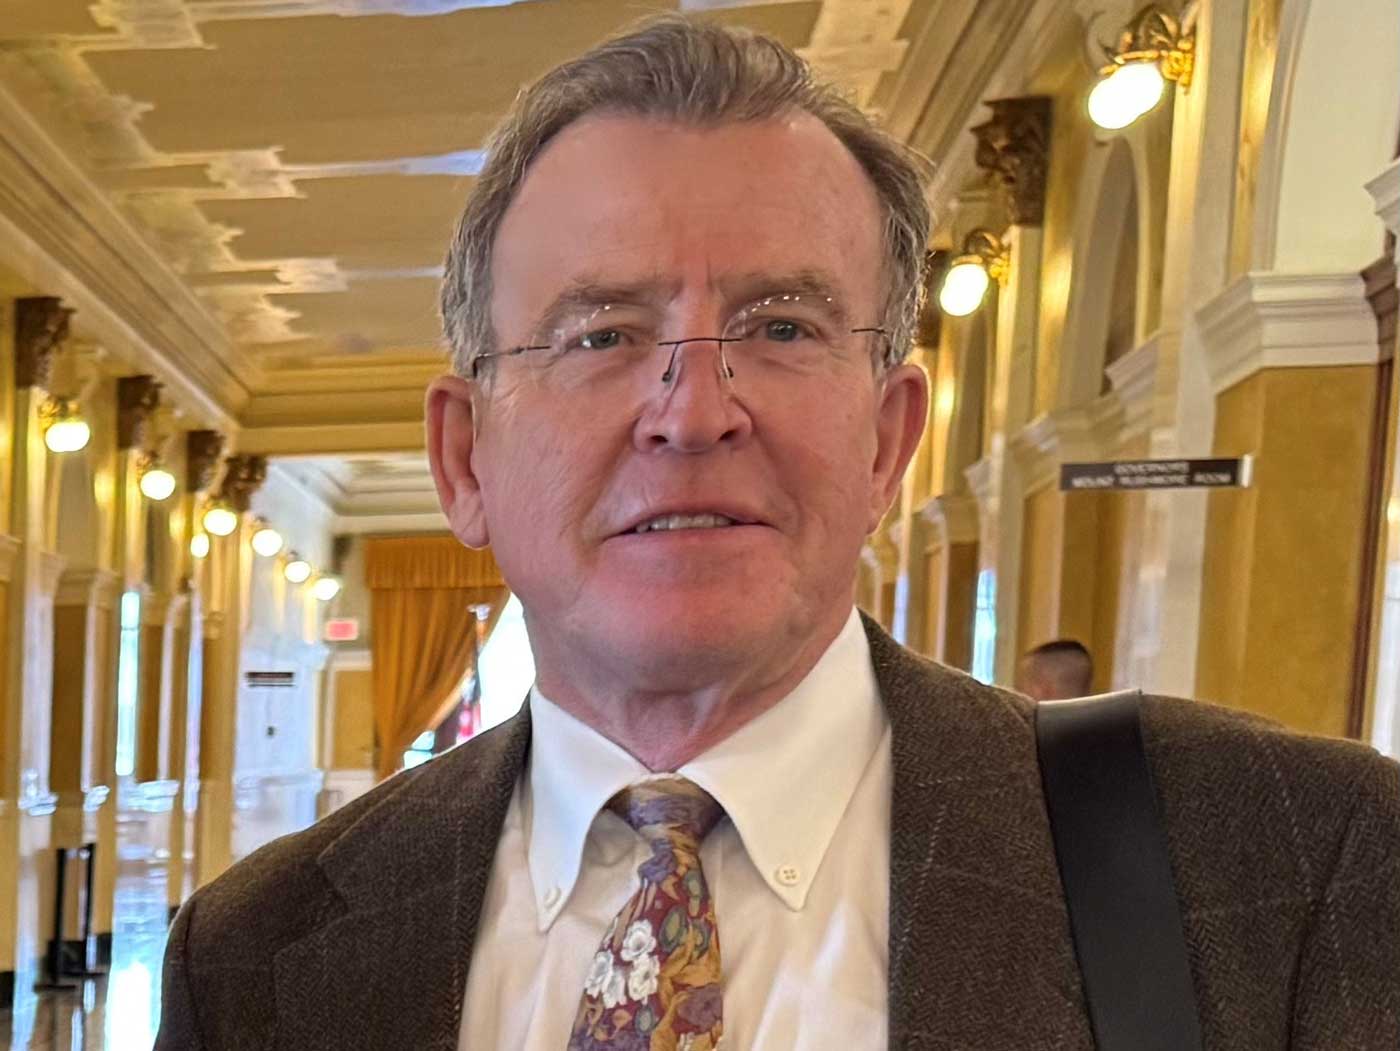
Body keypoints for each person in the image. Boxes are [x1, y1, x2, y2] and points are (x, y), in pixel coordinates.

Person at [155, 17, 1400, 1051]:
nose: (692, 411)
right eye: (601, 334)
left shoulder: (1287, 865)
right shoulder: (255, 954)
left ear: (886, 439)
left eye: (782, 328)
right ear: (462, 458)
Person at [1016, 638, 1095, 701]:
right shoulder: (1098, 715)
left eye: (1020, 687)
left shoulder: (1024, 714)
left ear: (1042, 690)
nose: (1017, 693)